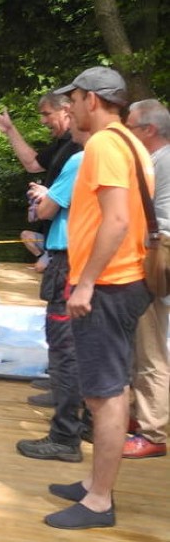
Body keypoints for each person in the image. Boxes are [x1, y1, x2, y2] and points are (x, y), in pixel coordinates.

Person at [44, 66, 153, 530]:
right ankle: (94, 484)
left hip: (109, 285)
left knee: (105, 396)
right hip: (126, 281)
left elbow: (115, 221)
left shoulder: (107, 144)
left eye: (73, 99)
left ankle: (99, 502)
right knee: (108, 389)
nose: (69, 107)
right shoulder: (130, 141)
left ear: (92, 99)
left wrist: (85, 282)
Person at [15, 105, 90, 463]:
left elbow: (47, 210)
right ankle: (77, 418)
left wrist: (43, 196)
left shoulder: (81, 159)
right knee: (75, 345)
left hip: (71, 261)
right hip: (77, 260)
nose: (64, 124)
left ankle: (65, 437)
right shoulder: (116, 154)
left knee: (64, 346)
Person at [121, 99, 170, 459]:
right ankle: (140, 418)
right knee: (147, 342)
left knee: (151, 348)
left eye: (131, 128)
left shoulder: (155, 163)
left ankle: (153, 433)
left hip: (157, 254)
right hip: (159, 254)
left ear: (148, 131)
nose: (126, 134)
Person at [0, 93, 81, 274]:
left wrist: (48, 195)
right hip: (54, 237)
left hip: (70, 241)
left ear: (65, 111)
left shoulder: (81, 147)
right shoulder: (63, 144)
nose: (42, 121)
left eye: (46, 114)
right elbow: (32, 164)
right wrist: (10, 130)